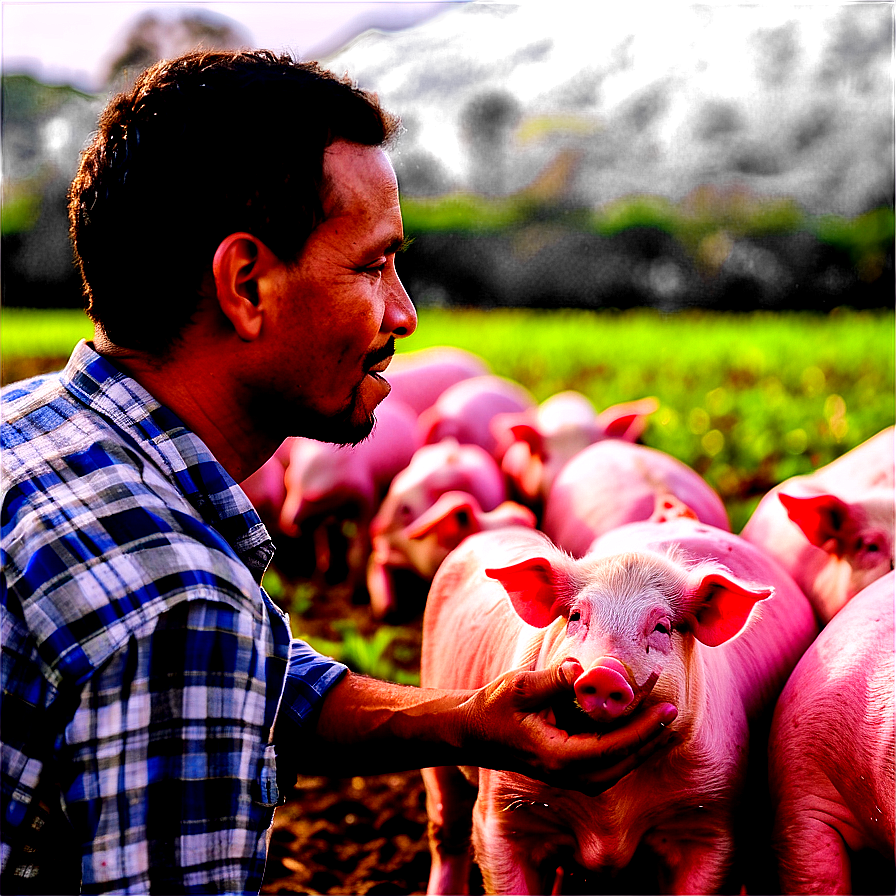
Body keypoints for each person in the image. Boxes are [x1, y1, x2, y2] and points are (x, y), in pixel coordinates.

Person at [0, 49, 677, 895]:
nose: (405, 311)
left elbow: (244, 684)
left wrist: (468, 720)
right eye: (372, 265)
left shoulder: (26, 427)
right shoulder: (177, 605)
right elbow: (186, 654)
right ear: (248, 284)